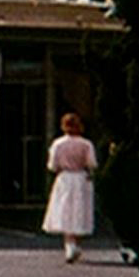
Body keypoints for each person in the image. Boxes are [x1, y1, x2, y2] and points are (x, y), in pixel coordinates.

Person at [42, 112, 98, 263]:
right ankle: (76, 243)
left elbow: (52, 165)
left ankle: (69, 244)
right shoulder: (86, 144)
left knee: (65, 210)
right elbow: (91, 163)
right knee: (79, 210)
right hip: (81, 177)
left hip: (65, 178)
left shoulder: (58, 144)